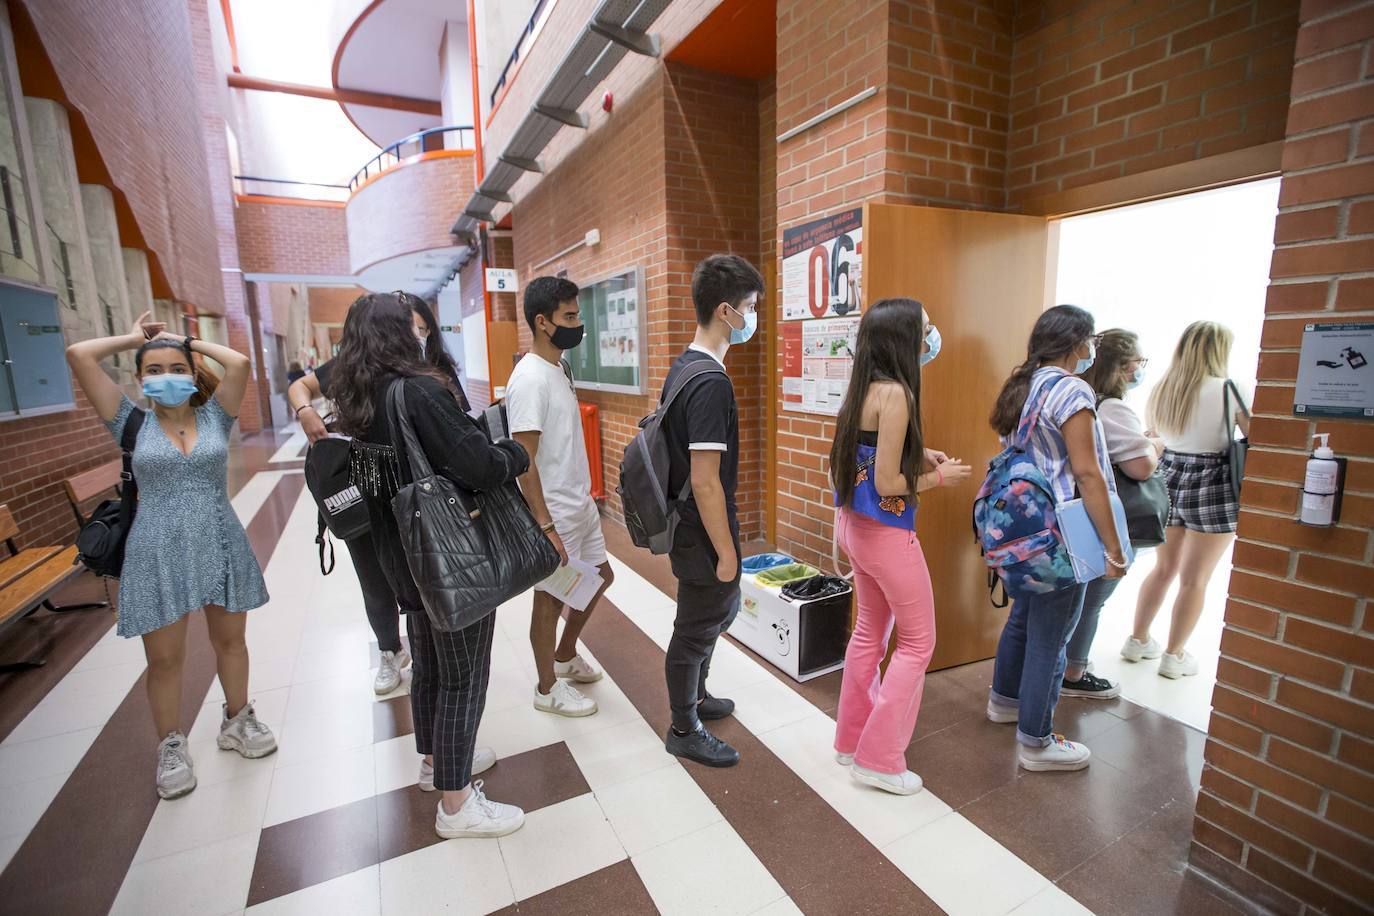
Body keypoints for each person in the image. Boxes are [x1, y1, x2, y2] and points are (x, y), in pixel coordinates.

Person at [329, 292, 529, 839]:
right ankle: (457, 804)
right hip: (448, 560)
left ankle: (434, 763)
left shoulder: (360, 402)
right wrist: (514, 452)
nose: (423, 335)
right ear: (399, 335)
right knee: (464, 677)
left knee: (430, 667)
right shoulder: (418, 392)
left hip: (401, 560)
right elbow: (480, 465)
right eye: (412, 329)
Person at [66, 311, 277, 800]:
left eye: (175, 368)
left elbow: (240, 362)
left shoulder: (214, 416)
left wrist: (184, 341)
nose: (165, 378)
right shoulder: (130, 422)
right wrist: (135, 338)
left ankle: (237, 720)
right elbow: (79, 355)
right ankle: (171, 744)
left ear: (192, 371)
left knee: (232, 642)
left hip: (220, 537)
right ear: (139, 380)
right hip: (155, 549)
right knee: (165, 659)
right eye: (153, 371)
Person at [288, 294, 466, 694]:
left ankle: (428, 657)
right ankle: (389, 652)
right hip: (364, 490)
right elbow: (300, 386)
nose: (416, 335)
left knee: (423, 581)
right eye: (410, 327)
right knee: (374, 576)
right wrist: (305, 411)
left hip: (421, 497)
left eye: (422, 329)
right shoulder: (353, 369)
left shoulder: (433, 373)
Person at [830, 298, 971, 796]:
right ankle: (879, 759)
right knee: (917, 644)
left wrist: (918, 453)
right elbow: (889, 483)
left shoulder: (863, 388)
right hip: (888, 538)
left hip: (856, 531)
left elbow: (868, 461)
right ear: (905, 339)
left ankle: (851, 741)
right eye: (927, 327)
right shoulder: (897, 394)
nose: (933, 335)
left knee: (869, 632)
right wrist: (937, 476)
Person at [985, 305, 1128, 772]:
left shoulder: (1023, 386)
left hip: (1025, 532)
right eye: (1090, 343)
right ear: (1077, 343)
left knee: (1025, 617)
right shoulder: (1070, 389)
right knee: (1054, 635)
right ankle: (1037, 743)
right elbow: (1087, 473)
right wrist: (1111, 545)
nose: (1091, 352)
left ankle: (1004, 702)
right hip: (1064, 531)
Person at [661, 254, 765, 768]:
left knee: (715, 612)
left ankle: (697, 699)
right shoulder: (710, 383)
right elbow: (705, 481)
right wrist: (726, 551)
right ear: (726, 311)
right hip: (701, 530)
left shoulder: (686, 366)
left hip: (691, 525)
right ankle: (684, 726)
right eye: (750, 307)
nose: (754, 317)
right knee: (696, 626)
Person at [506, 277, 615, 718]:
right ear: (542, 322)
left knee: (602, 577)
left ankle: (565, 655)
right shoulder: (530, 379)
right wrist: (545, 525)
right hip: (554, 511)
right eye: (569, 317)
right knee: (550, 598)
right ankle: (546, 688)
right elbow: (523, 461)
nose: (577, 324)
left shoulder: (559, 369)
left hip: (579, 503)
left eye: (577, 315)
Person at [1125, 321, 1249, 679]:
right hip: (1213, 482)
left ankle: (1137, 639)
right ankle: (1174, 655)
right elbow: (1256, 435)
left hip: (1168, 476)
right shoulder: (1229, 388)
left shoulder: (1166, 386)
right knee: (1195, 579)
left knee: (1163, 569)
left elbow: (1153, 433)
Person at [1061, 329, 1162, 699]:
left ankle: (1067, 666)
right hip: (1101, 516)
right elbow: (1140, 467)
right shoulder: (1110, 407)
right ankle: (1073, 671)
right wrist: (1154, 443)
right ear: (1121, 368)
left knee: (1078, 597)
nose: (1140, 370)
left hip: (1073, 514)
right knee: (1092, 597)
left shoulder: (1078, 398)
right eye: (1138, 363)